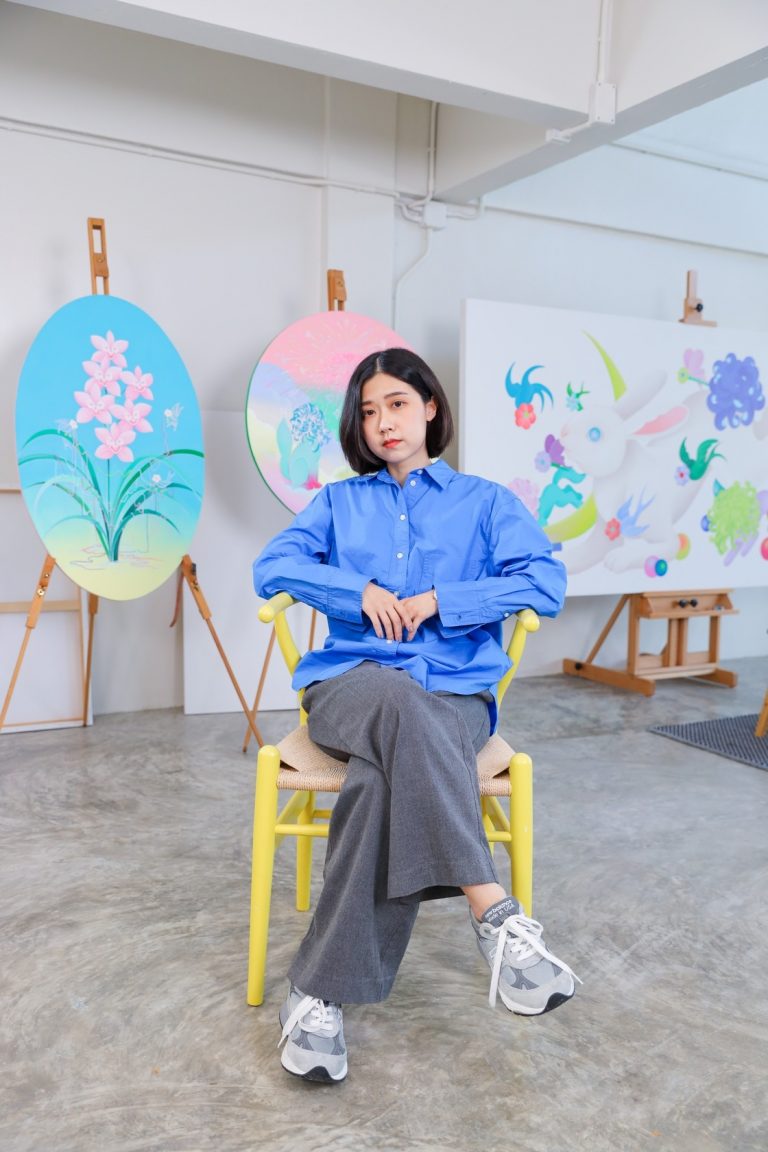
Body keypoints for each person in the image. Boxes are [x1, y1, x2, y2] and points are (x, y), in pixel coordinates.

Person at [253, 347, 578, 1083]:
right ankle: (493, 913)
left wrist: (444, 602)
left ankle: (316, 995)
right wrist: (354, 592)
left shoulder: (485, 503)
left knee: (378, 781)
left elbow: (545, 581)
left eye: (397, 404)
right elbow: (273, 566)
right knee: (397, 699)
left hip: (455, 697)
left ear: (430, 406)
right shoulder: (339, 503)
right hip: (352, 687)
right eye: (369, 411)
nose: (383, 423)